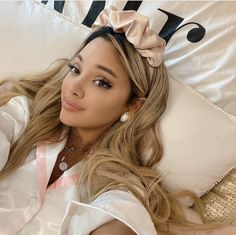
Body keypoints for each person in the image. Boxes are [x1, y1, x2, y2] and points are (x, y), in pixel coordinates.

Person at [0, 6, 235, 235]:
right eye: (75, 69)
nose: (74, 88)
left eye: (101, 82)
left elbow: (121, 217)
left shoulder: (120, 187)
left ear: (133, 104)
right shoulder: (21, 114)